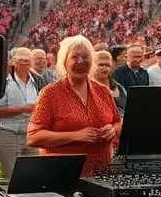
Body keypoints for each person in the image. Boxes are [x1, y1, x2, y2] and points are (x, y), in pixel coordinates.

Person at [27, 35, 121, 177]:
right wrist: (75, 136)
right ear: (64, 61)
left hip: (100, 176)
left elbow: (117, 122)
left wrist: (112, 130)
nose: (81, 61)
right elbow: (34, 137)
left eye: (85, 56)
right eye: (74, 57)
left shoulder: (103, 91)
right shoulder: (50, 94)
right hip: (62, 176)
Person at [0, 47, 40, 180]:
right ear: (14, 62)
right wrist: (24, 109)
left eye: (27, 60)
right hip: (9, 133)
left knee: (33, 176)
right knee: (11, 177)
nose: (25, 63)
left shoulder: (37, 81)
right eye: (21, 60)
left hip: (31, 135)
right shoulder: (5, 83)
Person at [93, 50, 127, 118]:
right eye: (101, 65)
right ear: (92, 66)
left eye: (108, 65)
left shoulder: (117, 87)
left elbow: (124, 109)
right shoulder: (85, 86)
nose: (105, 68)